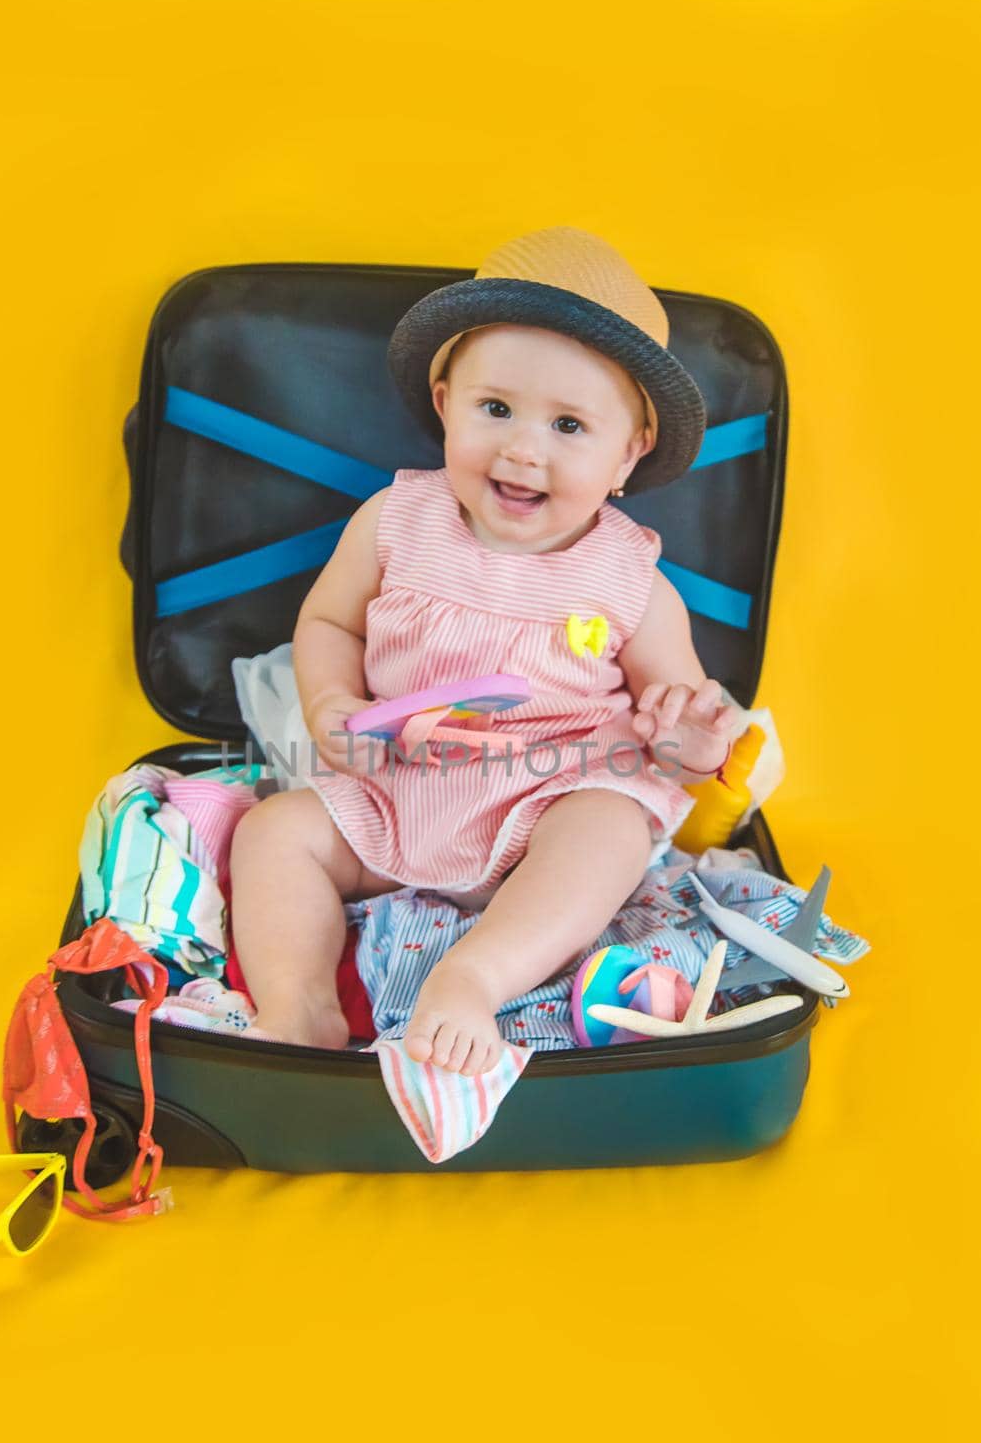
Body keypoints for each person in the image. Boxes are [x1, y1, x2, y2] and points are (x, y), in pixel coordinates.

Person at [229, 226, 735, 1074]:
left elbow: (677, 731)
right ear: (444, 402)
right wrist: (329, 708)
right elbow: (329, 626)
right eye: (495, 408)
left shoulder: (631, 580)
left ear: (628, 455)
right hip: (394, 790)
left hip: (549, 801)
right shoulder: (394, 522)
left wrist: (690, 738)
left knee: (611, 823)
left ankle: (474, 975)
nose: (522, 449)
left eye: (570, 424)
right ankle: (300, 1004)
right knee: (273, 834)